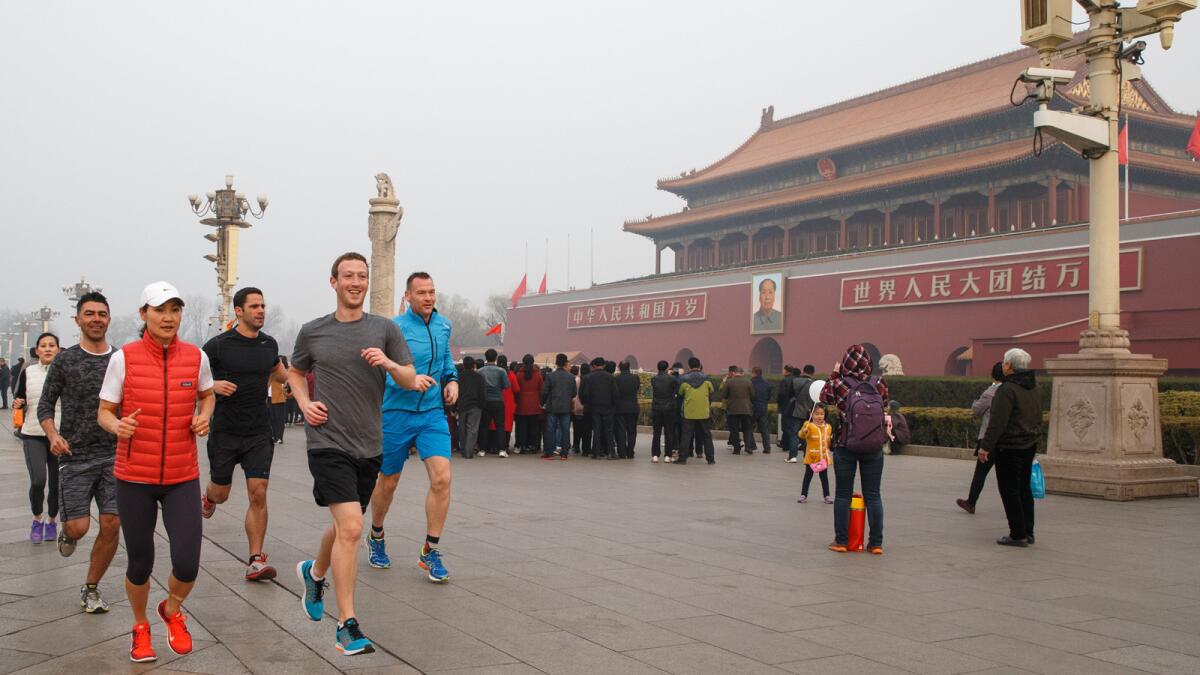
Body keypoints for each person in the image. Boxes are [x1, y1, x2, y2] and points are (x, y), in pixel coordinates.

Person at [288, 253, 428, 656]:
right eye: (347, 276)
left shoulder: (384, 328)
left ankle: (314, 574)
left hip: (369, 443)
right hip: (327, 441)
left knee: (345, 524)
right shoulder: (313, 331)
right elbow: (295, 371)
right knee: (351, 527)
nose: (356, 282)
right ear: (332, 282)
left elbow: (408, 376)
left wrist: (386, 362)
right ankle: (347, 625)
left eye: (361, 276)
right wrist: (304, 400)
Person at [97, 282, 216, 662]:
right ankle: (139, 626)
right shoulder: (124, 359)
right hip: (135, 476)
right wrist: (117, 427)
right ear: (143, 314)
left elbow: (207, 394)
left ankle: (172, 608)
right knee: (140, 560)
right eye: (159, 309)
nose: (168, 317)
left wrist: (203, 416)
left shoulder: (196, 357)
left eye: (175, 310)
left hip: (182, 473)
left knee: (186, 560)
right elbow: (104, 411)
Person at [367, 271, 459, 583]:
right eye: (422, 293)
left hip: (432, 413)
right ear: (408, 296)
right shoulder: (394, 328)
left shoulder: (444, 325)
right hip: (396, 412)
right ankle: (376, 535)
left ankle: (430, 551)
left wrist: (452, 381)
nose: (429, 298)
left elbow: (446, 359)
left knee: (442, 479)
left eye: (432, 292)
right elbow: (384, 368)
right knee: (388, 481)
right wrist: (407, 380)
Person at [37, 292, 121, 615]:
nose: (96, 319)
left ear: (109, 319)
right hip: (74, 455)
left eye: (102, 313)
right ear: (78, 320)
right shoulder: (65, 360)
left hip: (114, 454)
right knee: (79, 528)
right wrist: (53, 435)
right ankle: (66, 532)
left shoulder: (120, 360)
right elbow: (46, 405)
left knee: (113, 522)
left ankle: (90, 588)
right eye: (90, 313)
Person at [199, 287, 289, 582]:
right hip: (225, 430)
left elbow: (280, 372)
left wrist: (297, 384)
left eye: (263, 306)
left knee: (258, 493)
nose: (261, 311)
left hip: (258, 432)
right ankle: (209, 497)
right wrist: (214, 386)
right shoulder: (218, 346)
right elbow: (191, 376)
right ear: (238, 311)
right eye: (254, 307)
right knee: (221, 493)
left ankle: (255, 559)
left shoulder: (268, 344)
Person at [821, 344, 888, 555]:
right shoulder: (878, 383)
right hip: (874, 446)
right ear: (868, 363)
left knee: (843, 494)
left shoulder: (839, 383)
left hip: (846, 444)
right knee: (873, 495)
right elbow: (884, 404)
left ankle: (841, 541)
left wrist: (834, 373)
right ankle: (876, 543)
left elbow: (823, 397)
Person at [979, 348, 1041, 547]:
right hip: (1029, 444)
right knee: (1024, 489)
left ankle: (1017, 534)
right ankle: (1028, 531)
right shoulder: (1035, 387)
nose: (1003, 365)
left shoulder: (1007, 390)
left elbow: (997, 422)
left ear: (1010, 366)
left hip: (1009, 446)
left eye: (1005, 362)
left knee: (1009, 490)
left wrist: (985, 447)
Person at [14, 334, 61, 543]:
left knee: (57, 484)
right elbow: (21, 396)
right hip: (33, 433)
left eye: (52, 345)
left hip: (59, 436)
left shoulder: (65, 372)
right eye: (43, 346)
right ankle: (37, 518)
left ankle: (51, 520)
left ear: (58, 349)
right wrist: (18, 403)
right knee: (38, 480)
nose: (48, 349)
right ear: (37, 350)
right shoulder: (28, 371)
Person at [957, 363, 1004, 515]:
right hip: (1007, 440)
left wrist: (974, 402)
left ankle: (971, 502)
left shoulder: (990, 392)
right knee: (1006, 477)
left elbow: (977, 410)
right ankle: (1014, 509)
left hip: (988, 439)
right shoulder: (1013, 391)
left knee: (981, 473)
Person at [676, 357, 715, 465]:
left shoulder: (684, 379)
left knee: (686, 435)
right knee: (707, 435)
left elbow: (680, 392)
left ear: (689, 366)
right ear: (699, 365)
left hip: (689, 412)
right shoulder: (707, 379)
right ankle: (710, 459)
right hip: (704, 412)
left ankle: (682, 458)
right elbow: (711, 390)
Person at [580, 356, 618, 459]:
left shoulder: (587, 377)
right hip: (608, 407)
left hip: (594, 407)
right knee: (609, 430)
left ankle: (596, 453)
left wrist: (586, 404)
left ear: (594, 365)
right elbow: (615, 393)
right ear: (604, 365)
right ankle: (611, 452)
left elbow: (583, 394)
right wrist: (613, 405)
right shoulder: (611, 377)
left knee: (596, 429)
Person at [541, 353, 576, 459]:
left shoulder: (550, 376)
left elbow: (545, 392)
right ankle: (564, 453)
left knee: (550, 429)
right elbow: (574, 393)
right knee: (565, 429)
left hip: (552, 406)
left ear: (556, 363)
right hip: (566, 407)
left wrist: (542, 402)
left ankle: (549, 452)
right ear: (565, 363)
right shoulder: (571, 377)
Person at [797, 406, 833, 504]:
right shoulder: (808, 425)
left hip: (823, 458)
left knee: (824, 477)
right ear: (811, 414)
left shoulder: (828, 427)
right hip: (811, 457)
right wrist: (803, 432)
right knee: (808, 476)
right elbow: (801, 435)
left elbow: (829, 441)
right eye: (816, 414)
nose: (819, 416)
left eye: (822, 414)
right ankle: (803, 494)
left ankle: (827, 495)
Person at [478, 349, 510, 456]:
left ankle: (482, 450)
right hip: (498, 401)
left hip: (485, 401)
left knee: (484, 426)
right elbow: (507, 385)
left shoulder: (480, 371)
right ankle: (502, 450)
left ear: (485, 357)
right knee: (500, 426)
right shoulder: (501, 371)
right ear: (496, 358)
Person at [719, 366, 755, 454]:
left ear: (734, 373)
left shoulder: (729, 382)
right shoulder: (748, 382)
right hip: (746, 409)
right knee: (747, 429)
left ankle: (737, 448)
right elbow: (753, 395)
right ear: (741, 373)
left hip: (732, 409)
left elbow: (723, 395)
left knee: (734, 430)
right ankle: (748, 447)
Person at [513, 353, 543, 454]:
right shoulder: (538, 374)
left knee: (521, 427)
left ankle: (521, 445)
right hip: (534, 403)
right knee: (534, 427)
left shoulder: (519, 374)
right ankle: (533, 446)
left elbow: (516, 389)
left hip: (521, 404)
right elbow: (541, 389)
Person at [456, 357, 484, 459]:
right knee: (472, 429)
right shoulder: (479, 377)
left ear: (463, 365)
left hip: (462, 405)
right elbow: (482, 392)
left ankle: (463, 450)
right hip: (475, 406)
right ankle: (468, 452)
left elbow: (456, 392)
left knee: (462, 429)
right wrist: (482, 405)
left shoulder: (458, 376)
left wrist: (454, 407)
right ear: (474, 365)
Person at [649, 360, 677, 463]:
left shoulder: (654, 379)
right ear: (667, 368)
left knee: (656, 433)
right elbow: (675, 391)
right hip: (669, 408)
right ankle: (667, 455)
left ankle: (655, 455)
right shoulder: (672, 379)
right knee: (669, 432)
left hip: (656, 408)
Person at [787, 365, 816, 462]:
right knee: (807, 435)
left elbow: (789, 395)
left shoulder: (794, 381)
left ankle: (792, 456)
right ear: (813, 373)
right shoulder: (814, 384)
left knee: (794, 434)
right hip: (808, 413)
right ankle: (806, 456)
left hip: (795, 411)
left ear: (803, 371)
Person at [614, 360, 640, 459]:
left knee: (621, 430)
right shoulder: (635, 378)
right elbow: (636, 388)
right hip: (633, 407)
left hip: (620, 408)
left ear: (620, 367)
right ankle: (630, 452)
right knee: (632, 430)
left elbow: (615, 393)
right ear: (629, 367)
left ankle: (622, 452)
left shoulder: (616, 379)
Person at [750, 367, 772, 453]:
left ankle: (752, 445)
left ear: (753, 373)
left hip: (753, 408)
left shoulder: (750, 383)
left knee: (748, 427)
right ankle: (767, 447)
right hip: (763, 407)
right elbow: (769, 396)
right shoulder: (767, 383)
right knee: (764, 429)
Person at [571, 363, 590, 455]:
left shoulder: (577, 380)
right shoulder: (590, 379)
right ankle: (586, 448)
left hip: (577, 407)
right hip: (587, 408)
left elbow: (573, 393)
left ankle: (576, 446)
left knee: (577, 429)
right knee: (587, 429)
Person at [269, 357, 289, 444]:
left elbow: (285, 382)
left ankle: (279, 437)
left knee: (279, 419)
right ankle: (274, 436)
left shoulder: (281, 372)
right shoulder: (270, 371)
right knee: (271, 418)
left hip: (279, 398)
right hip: (270, 397)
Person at [776, 365, 795, 453]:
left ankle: (785, 444)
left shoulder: (784, 381)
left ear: (787, 371)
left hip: (785, 406)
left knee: (785, 426)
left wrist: (779, 403)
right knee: (792, 425)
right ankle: (787, 443)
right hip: (794, 406)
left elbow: (781, 394)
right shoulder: (795, 379)